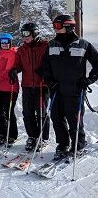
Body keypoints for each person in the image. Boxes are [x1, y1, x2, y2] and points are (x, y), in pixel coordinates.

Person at [42, 14, 98, 160]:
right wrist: (49, 81)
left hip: (75, 90)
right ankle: (62, 144)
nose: (55, 29)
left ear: (67, 26)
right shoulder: (52, 44)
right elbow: (45, 66)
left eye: (58, 26)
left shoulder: (83, 44)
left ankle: (78, 145)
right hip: (56, 90)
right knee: (57, 119)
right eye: (54, 26)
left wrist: (89, 79)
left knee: (75, 120)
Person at [9, 23, 50, 151]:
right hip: (27, 85)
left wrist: (45, 70)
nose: (24, 36)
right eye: (22, 33)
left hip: (41, 85)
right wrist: (15, 69)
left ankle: (43, 138)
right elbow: (18, 64)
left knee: (41, 113)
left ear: (35, 33)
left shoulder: (45, 46)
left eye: (27, 33)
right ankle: (32, 136)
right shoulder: (22, 49)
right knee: (28, 112)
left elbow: (52, 62)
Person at [0, 33, 19, 146]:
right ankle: (2, 133)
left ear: (10, 42)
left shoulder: (13, 53)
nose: (5, 44)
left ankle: (12, 134)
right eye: (3, 41)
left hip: (10, 87)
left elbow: (8, 71)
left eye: (7, 41)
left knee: (8, 110)